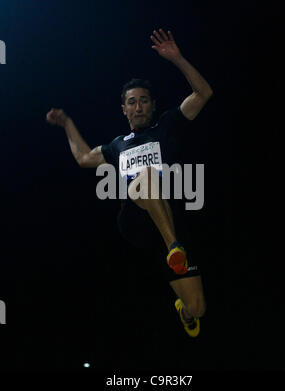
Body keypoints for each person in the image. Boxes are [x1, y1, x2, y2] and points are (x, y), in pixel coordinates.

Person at [46, 28, 213, 337]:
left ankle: (183, 309)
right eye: (132, 102)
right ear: (123, 109)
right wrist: (68, 124)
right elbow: (83, 158)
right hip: (136, 220)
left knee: (199, 307)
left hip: (171, 214)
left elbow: (203, 94)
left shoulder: (168, 124)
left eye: (144, 101)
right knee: (146, 177)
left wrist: (177, 59)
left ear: (152, 105)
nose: (138, 107)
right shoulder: (116, 145)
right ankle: (173, 246)